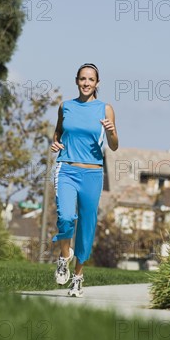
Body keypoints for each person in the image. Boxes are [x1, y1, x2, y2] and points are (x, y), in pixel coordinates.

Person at [50, 63, 119, 297]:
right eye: (82, 79)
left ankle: (78, 276)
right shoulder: (66, 106)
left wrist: (111, 131)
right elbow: (58, 131)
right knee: (66, 216)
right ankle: (64, 256)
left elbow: (114, 145)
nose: (86, 83)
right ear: (77, 81)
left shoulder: (105, 109)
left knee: (87, 226)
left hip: (93, 173)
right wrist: (55, 142)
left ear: (97, 83)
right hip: (66, 169)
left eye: (91, 79)